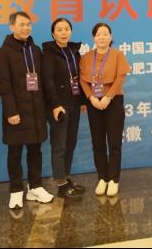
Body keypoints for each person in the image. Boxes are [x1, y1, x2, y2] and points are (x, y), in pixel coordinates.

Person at [0, 11, 54, 209]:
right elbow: (4, 85)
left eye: (28, 24)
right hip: (16, 112)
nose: (26, 28)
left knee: (35, 150)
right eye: (22, 24)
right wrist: (11, 111)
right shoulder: (3, 53)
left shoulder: (35, 50)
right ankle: (16, 191)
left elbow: (42, 81)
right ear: (12, 27)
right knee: (15, 152)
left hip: (36, 110)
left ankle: (35, 187)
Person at [79, 22, 130, 197]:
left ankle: (114, 179)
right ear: (94, 38)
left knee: (114, 142)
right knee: (98, 142)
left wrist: (108, 97)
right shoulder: (86, 57)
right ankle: (102, 177)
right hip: (94, 103)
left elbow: (120, 77)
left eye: (105, 34)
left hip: (113, 101)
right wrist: (91, 98)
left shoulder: (117, 55)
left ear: (110, 37)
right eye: (98, 34)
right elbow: (82, 80)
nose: (102, 37)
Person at [42, 18, 87, 200]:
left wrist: (82, 100)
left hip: (74, 103)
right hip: (59, 105)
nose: (63, 32)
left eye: (66, 29)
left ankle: (67, 178)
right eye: (59, 29)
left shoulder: (74, 52)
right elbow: (47, 80)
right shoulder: (48, 53)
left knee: (70, 143)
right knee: (59, 145)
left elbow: (79, 77)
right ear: (53, 34)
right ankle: (61, 185)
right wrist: (54, 104)